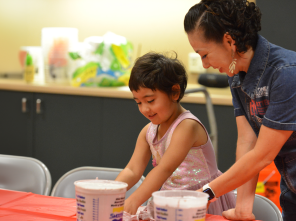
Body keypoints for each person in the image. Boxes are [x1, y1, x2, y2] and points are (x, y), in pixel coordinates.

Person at [184, 0, 296, 220]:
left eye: (204, 54)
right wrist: (242, 209)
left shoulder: (286, 73)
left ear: (228, 41)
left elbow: (263, 155)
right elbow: (247, 142)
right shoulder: (236, 76)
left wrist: (207, 192)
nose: (205, 65)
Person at [115, 52, 236, 216]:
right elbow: (132, 170)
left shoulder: (187, 127)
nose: (144, 109)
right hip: (171, 202)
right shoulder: (148, 132)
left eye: (150, 101)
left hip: (200, 203)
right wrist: (110, 193)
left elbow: (165, 169)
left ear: (175, 92)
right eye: (138, 102)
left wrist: (135, 200)